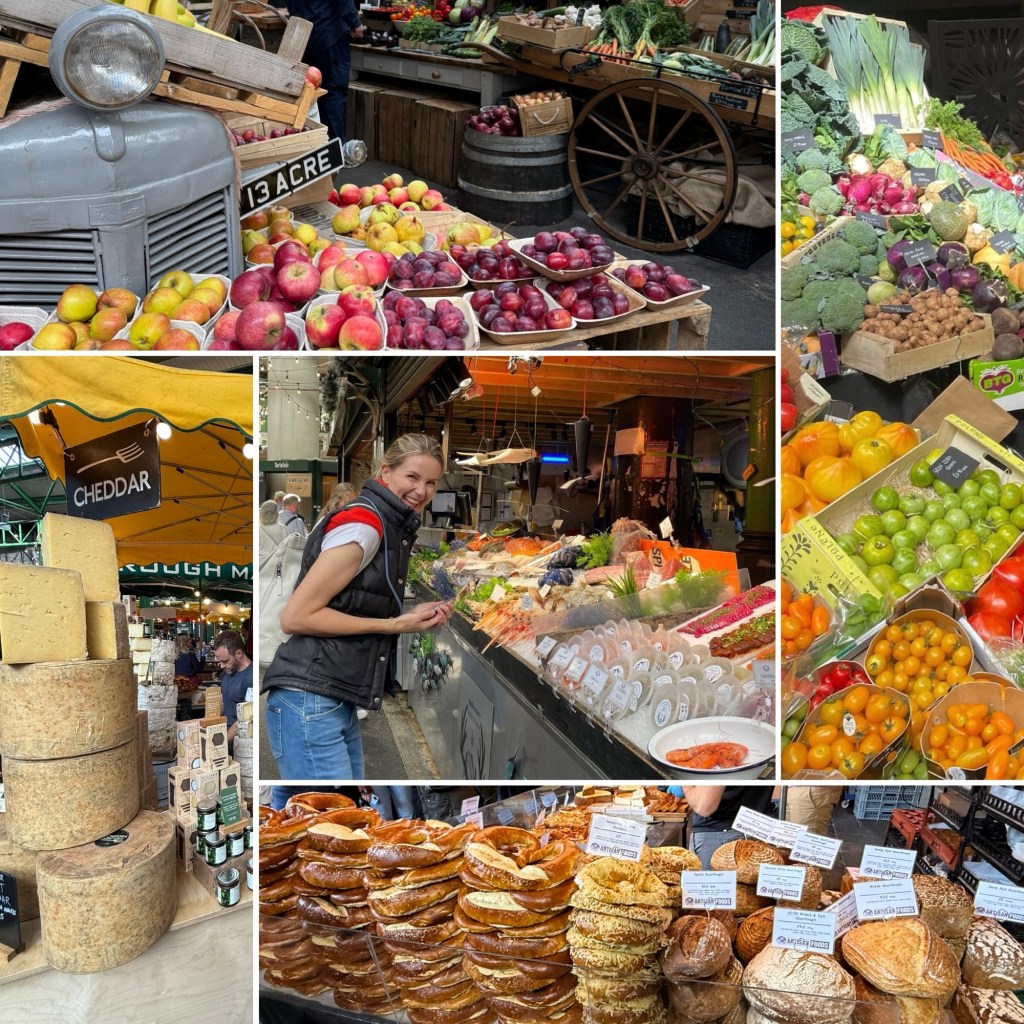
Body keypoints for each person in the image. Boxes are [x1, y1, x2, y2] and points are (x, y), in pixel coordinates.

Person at [262, 434, 454, 779]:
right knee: (330, 824)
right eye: (412, 477)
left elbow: (350, 602)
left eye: (431, 482)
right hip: (310, 699)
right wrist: (392, 626)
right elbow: (296, 616)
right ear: (385, 473)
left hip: (329, 696)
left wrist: (403, 616)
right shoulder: (365, 526)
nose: (421, 491)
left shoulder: (388, 525)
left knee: (343, 819)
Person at [284, 0, 364, 145]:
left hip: (303, 36)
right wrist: (355, 22)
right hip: (328, 35)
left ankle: (312, 144)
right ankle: (334, 147)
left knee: (308, 94)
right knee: (332, 92)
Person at [684, 785, 775, 869]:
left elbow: (703, 806)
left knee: (712, 885)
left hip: (718, 836)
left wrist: (685, 784)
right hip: (756, 828)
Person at [213, 629, 253, 746]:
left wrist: (222, 741)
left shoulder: (251, 678)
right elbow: (222, 700)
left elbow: (246, 718)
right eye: (219, 661)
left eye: (225, 661)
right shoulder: (229, 670)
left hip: (240, 740)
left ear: (239, 654)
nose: (221, 666)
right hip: (224, 733)